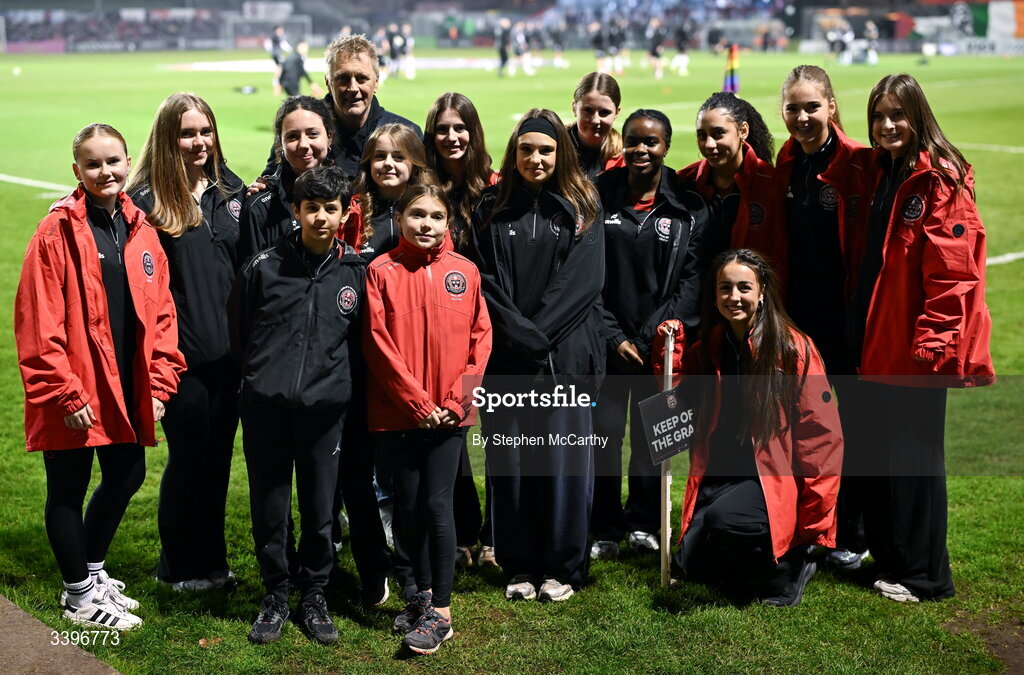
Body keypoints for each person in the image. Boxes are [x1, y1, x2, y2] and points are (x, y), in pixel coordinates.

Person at [15, 123, 185, 629]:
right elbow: (37, 322)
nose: (106, 171)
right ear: (77, 172)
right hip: (73, 384)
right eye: (94, 164)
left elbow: (162, 315)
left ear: (129, 161)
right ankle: (79, 598)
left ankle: (90, 572)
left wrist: (158, 383)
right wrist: (63, 393)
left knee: (127, 473)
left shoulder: (140, 226)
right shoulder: (55, 232)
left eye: (114, 161)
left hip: (126, 382)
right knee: (68, 487)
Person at [849, 73, 994, 602]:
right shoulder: (887, 171)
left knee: (914, 461)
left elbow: (955, 271)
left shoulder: (938, 178)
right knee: (883, 457)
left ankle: (927, 577)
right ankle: (892, 563)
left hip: (916, 347)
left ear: (917, 116)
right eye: (878, 116)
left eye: (897, 115)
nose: (886, 125)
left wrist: (934, 338)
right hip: (879, 339)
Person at [470, 109, 605, 603]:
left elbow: (583, 283)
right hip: (509, 359)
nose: (536, 158)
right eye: (526, 149)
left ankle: (563, 566)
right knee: (514, 461)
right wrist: (517, 335)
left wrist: (535, 335)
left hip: (563, 356)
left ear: (560, 153)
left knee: (564, 462)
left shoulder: (582, 204)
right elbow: (483, 280)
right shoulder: (491, 205)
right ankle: (520, 563)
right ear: (514, 153)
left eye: (546, 149)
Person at [657, 249, 843, 606]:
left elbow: (821, 435)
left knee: (725, 521)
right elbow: (676, 397)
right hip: (723, 473)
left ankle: (787, 573)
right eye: (725, 288)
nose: (733, 297)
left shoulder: (792, 347)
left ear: (762, 293)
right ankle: (747, 556)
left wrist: (813, 514)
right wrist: (671, 348)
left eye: (744, 287)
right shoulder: (712, 344)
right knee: (690, 564)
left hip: (771, 476)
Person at [229, 165, 365, 644]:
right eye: (312, 208)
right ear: (295, 210)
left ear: (346, 212)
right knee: (269, 506)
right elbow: (241, 335)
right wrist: (259, 384)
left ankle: (314, 595)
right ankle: (275, 595)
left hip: (326, 413)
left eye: (331, 208)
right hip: (266, 410)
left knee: (319, 509)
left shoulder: (355, 273)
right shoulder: (263, 267)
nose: (321, 218)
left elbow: (360, 346)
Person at [363, 182, 492, 654]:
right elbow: (378, 344)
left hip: (448, 417)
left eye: (436, 217)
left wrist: (457, 403)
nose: (426, 224)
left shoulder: (465, 272)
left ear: (448, 223)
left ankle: (441, 611)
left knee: (438, 505)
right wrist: (417, 403)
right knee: (409, 504)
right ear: (400, 219)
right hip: (401, 414)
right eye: (417, 214)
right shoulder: (381, 270)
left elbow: (481, 341)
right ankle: (417, 596)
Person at [127, 93, 246, 592]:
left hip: (232, 361)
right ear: (166, 138)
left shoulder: (233, 189)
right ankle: (178, 565)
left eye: (206, 131)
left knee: (217, 460)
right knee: (189, 460)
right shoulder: (145, 201)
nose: (200, 142)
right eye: (187, 133)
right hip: (180, 361)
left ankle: (213, 563)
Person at [590, 110, 707, 560]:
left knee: (651, 438)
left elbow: (692, 282)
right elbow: (587, 276)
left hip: (659, 348)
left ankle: (643, 521)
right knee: (602, 436)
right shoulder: (599, 196)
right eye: (634, 141)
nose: (641, 150)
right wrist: (612, 335)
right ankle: (603, 525)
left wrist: (649, 337)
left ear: (666, 146)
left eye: (651, 142)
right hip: (608, 346)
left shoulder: (689, 205)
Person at [774, 65, 875, 570]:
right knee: (807, 427)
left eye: (812, 106)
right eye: (793, 107)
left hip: (845, 321)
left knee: (846, 428)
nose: (803, 116)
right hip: (798, 321)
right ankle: (812, 527)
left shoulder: (860, 162)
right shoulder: (787, 161)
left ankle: (852, 533)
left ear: (832, 106)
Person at [422, 92, 500, 566]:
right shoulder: (424, 189)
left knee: (497, 437)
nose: (452, 137)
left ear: (473, 132)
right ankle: (465, 530)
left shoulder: (493, 187)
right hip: (444, 335)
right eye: (443, 129)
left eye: (460, 127)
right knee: (452, 431)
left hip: (494, 328)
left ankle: (495, 534)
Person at [258, 35, 421, 181]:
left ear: (376, 82)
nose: (353, 88)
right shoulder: (299, 131)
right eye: (343, 78)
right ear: (328, 83)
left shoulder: (407, 134)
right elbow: (271, 186)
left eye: (362, 78)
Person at [679, 92, 782, 267]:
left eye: (718, 133)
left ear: (743, 131)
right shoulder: (684, 182)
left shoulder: (770, 183)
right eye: (702, 135)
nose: (709, 144)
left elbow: (781, 252)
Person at [240, 96, 334, 264]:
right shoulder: (259, 208)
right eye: (292, 137)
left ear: (329, 137)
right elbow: (252, 279)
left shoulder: (347, 197)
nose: (304, 144)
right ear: (280, 144)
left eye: (313, 134)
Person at [347, 123, 432, 259]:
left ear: (415, 165)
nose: (388, 163)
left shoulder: (432, 209)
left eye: (398, 157)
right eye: (380, 156)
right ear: (369, 163)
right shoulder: (352, 211)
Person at [568, 72, 625, 180]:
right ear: (574, 108)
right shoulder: (553, 148)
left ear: (617, 112)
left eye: (604, 112)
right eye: (588, 110)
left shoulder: (627, 157)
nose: (595, 120)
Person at [264, 25, 291, 97]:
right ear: (276, 30)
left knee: (279, 69)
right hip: (277, 55)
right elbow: (284, 45)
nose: (281, 31)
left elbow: (267, 44)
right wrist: (290, 50)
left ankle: (277, 84)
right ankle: (277, 84)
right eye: (280, 30)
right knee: (279, 69)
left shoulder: (273, 37)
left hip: (276, 55)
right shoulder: (277, 37)